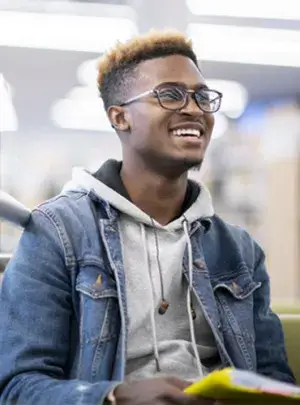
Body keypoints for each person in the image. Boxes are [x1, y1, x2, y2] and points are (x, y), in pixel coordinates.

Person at [0, 30, 295, 405]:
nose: (193, 108)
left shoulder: (238, 249)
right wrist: (117, 397)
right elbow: (16, 388)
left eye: (202, 96)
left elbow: (273, 381)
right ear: (120, 117)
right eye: (170, 94)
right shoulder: (58, 233)